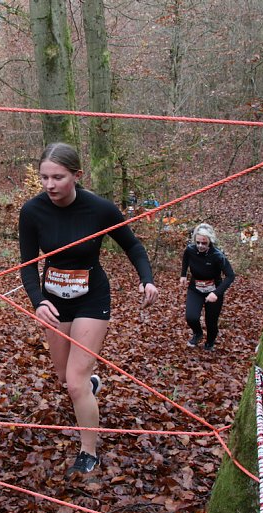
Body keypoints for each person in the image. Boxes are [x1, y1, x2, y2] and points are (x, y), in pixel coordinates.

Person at [19, 143, 159, 475]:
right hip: (53, 300)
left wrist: (147, 279)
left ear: (77, 176)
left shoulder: (100, 209)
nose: (50, 185)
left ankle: (88, 452)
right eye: (44, 178)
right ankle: (89, 387)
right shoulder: (32, 211)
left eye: (58, 177)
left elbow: (133, 244)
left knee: (76, 381)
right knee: (65, 379)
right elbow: (26, 265)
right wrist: (38, 302)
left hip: (91, 298)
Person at [179, 223, 235, 351]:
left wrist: (216, 293)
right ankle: (198, 333)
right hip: (196, 288)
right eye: (198, 242)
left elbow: (230, 276)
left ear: (210, 241)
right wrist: (183, 275)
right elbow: (186, 258)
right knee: (191, 317)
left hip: (214, 290)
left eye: (204, 243)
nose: (200, 246)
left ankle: (210, 342)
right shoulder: (190, 249)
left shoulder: (218, 255)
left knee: (211, 322)